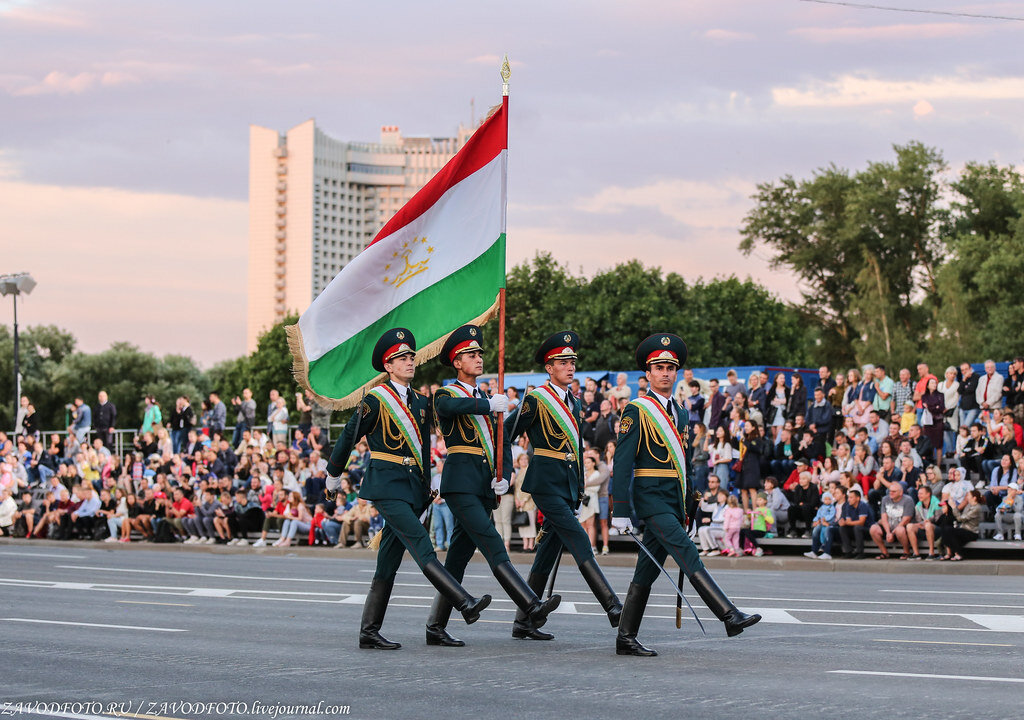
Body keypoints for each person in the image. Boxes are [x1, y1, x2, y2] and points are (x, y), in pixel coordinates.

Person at [325, 328, 490, 650]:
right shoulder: (376, 399)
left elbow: (425, 450)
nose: (409, 362)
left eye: (411, 356)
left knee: (387, 561)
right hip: (386, 486)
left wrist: (428, 485)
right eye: (401, 358)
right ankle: (463, 602)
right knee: (420, 544)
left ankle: (369, 632)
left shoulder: (422, 402)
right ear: (388, 366)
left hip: (413, 488)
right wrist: (333, 474)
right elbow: (349, 436)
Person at [612, 333, 760, 656]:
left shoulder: (679, 412)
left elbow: (686, 466)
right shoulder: (636, 410)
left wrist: (690, 509)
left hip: (673, 500)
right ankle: (729, 614)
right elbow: (622, 463)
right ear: (648, 374)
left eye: (670, 367)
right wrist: (619, 509)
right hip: (650, 498)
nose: (665, 373)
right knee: (687, 553)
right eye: (659, 367)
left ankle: (625, 637)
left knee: (645, 571)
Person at [422, 325, 561, 647]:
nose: (479, 358)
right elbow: (447, 409)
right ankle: (530, 603)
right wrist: (487, 406)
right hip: (459, 484)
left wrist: (504, 473)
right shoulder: (449, 393)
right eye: (471, 354)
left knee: (458, 556)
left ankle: (435, 627)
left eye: (481, 353)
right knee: (491, 540)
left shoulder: (487, 397)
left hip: (484, 484)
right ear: (457, 362)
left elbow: (502, 442)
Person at [505, 330, 622, 642]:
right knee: (577, 536)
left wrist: (578, 486)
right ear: (549, 367)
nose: (570, 367)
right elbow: (506, 433)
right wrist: (502, 473)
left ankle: (524, 621)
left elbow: (574, 450)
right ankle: (612, 605)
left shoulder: (574, 401)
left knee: (548, 551)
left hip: (566, 482)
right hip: (544, 481)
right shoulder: (537, 398)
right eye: (562, 361)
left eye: (572, 361)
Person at [869, 483, 915, 559]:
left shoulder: (908, 500)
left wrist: (892, 533)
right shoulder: (885, 499)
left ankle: (906, 552)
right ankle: (884, 552)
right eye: (890, 491)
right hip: (888, 528)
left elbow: (906, 520)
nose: (891, 493)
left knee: (900, 530)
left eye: (894, 491)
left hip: (902, 528)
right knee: (873, 528)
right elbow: (884, 518)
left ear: (901, 492)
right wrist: (888, 533)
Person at [938, 490, 983, 561]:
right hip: (963, 529)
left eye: (968, 495)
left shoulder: (977, 508)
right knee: (945, 529)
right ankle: (949, 553)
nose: (967, 497)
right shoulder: (968, 506)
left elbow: (961, 519)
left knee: (949, 530)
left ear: (974, 498)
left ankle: (958, 554)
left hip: (971, 532)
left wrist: (953, 507)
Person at [907, 485, 941, 559]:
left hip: (936, 528)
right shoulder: (918, 505)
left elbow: (939, 520)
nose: (919, 495)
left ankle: (931, 553)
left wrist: (929, 521)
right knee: (909, 526)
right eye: (918, 494)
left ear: (928, 494)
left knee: (928, 525)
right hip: (924, 527)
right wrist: (921, 524)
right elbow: (918, 519)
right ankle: (916, 553)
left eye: (921, 494)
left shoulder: (937, 503)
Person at [837, 488, 871, 558]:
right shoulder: (848, 506)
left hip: (867, 529)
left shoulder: (863, 505)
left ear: (858, 498)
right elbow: (848, 521)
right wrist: (844, 522)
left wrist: (846, 522)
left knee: (857, 527)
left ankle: (860, 552)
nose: (849, 499)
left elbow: (861, 522)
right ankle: (848, 551)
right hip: (855, 529)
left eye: (851, 497)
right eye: (848, 497)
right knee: (842, 528)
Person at [804, 489, 837, 560]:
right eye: (825, 499)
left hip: (828, 523)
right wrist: (815, 520)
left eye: (829, 499)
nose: (827, 501)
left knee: (825, 531)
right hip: (821, 522)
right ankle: (814, 550)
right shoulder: (821, 508)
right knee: (816, 530)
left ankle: (824, 546)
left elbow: (832, 515)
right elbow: (818, 515)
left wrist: (826, 519)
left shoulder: (832, 507)